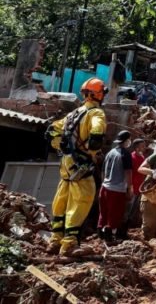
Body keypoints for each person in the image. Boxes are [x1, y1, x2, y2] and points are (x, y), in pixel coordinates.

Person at [45, 78, 107, 255]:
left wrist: (61, 146)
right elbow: (96, 135)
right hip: (81, 164)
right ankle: (70, 243)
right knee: (82, 200)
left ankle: (55, 240)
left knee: (62, 199)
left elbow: (51, 131)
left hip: (66, 163)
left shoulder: (73, 114)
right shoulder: (97, 113)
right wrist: (92, 152)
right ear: (99, 94)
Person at [98, 130, 133, 243]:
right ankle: (109, 237)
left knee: (104, 211)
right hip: (117, 189)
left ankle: (101, 234)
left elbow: (103, 171)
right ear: (127, 140)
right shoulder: (125, 154)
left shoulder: (110, 152)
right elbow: (128, 172)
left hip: (105, 187)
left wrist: (104, 183)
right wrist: (129, 188)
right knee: (115, 213)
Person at [122, 138, 148, 239]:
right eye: (142, 146)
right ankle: (122, 232)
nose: (145, 148)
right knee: (127, 211)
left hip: (139, 188)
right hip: (132, 189)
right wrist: (129, 188)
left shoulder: (142, 157)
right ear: (137, 148)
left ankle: (126, 231)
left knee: (132, 211)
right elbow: (127, 173)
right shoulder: (132, 158)